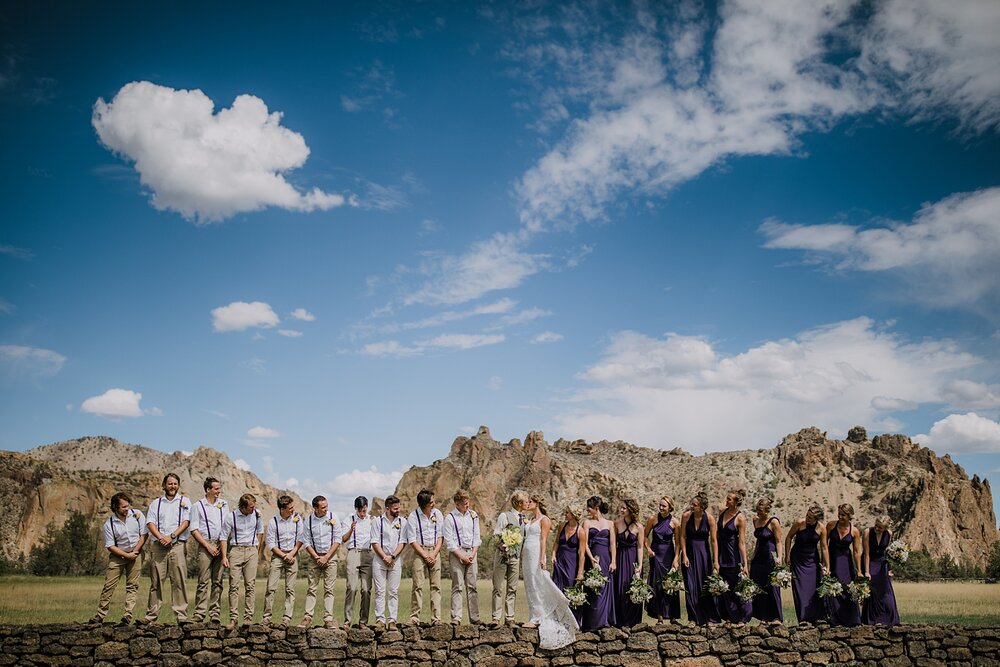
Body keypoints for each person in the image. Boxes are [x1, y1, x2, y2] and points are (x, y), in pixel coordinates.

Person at [520, 493, 577, 649]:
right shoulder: (530, 520)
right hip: (527, 553)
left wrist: (542, 558)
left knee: (537, 582)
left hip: (536, 552)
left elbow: (543, 539)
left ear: (537, 503)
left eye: (530, 501)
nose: (528, 503)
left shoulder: (544, 520)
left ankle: (538, 617)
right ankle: (533, 615)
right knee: (529, 584)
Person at [138, 473, 191, 625]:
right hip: (159, 546)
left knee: (179, 580)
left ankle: (181, 616)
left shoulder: (185, 501)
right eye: (170, 483)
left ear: (178, 485)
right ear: (164, 486)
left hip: (177, 545)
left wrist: (172, 536)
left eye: (175, 483)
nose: (172, 486)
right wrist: (161, 537)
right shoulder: (156, 503)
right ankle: (151, 616)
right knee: (156, 581)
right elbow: (150, 522)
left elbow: (186, 521)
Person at [90, 492, 147, 625]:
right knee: (109, 585)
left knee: (132, 585)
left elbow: (144, 534)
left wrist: (135, 551)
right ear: (115, 507)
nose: (127, 509)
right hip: (118, 556)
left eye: (128, 506)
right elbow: (110, 546)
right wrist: (126, 555)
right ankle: (100, 614)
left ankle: (127, 615)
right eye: (123, 507)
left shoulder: (137, 515)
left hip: (136, 552)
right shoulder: (109, 524)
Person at [220, 493, 264, 630]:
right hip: (236, 550)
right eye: (251, 506)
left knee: (250, 585)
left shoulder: (257, 515)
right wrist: (224, 556)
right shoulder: (231, 516)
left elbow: (260, 532)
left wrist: (257, 551)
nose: (254, 508)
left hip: (251, 550)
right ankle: (233, 618)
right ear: (243, 507)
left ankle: (248, 617)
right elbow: (223, 536)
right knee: (233, 585)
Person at [189, 477, 228, 625]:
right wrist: (207, 546)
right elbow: (194, 529)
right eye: (216, 488)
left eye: (219, 488)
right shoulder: (197, 506)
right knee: (203, 581)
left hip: (221, 543)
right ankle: (199, 613)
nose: (219, 491)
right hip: (205, 545)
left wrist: (222, 545)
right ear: (208, 490)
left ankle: (215, 613)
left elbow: (227, 525)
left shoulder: (224, 504)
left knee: (218, 581)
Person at [301, 495, 341, 629]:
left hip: (330, 557)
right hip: (314, 558)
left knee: (329, 589)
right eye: (323, 507)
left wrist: (326, 557)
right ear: (315, 508)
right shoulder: (308, 520)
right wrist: (316, 557)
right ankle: (307, 617)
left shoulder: (333, 517)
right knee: (312, 588)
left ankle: (328, 618)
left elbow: (337, 539)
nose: (326, 509)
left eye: (326, 506)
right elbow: (306, 541)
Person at [680, 492, 720, 625]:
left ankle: (709, 618)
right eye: (692, 504)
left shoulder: (709, 519)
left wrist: (715, 561)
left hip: (704, 555)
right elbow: (682, 537)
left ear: (702, 506)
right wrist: (684, 555)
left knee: (705, 586)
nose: (692, 506)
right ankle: (692, 618)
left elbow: (714, 541)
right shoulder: (686, 516)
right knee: (690, 586)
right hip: (689, 554)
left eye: (695, 505)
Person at [262, 494, 302, 628]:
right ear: (282, 509)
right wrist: (284, 556)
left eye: (293, 507)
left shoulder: (297, 519)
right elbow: (271, 544)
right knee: (271, 587)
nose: (292, 510)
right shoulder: (273, 522)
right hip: (278, 556)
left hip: (293, 554)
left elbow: (300, 539)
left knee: (290, 589)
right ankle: (266, 617)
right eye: (290, 508)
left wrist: (291, 554)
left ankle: (286, 619)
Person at [406, 489, 445, 625]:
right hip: (419, 550)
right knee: (417, 585)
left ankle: (436, 618)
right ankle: (415, 617)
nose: (434, 503)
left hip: (434, 550)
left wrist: (433, 554)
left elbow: (441, 536)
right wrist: (425, 555)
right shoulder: (413, 517)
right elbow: (412, 540)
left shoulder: (438, 514)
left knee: (436, 586)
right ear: (424, 504)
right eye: (431, 502)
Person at [443, 489, 481, 625]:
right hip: (456, 553)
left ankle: (475, 618)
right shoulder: (450, 518)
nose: (467, 505)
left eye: (468, 502)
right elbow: (449, 541)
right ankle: (456, 618)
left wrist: (472, 553)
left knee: (472, 586)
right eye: (465, 503)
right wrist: (461, 556)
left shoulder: (473, 515)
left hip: (471, 552)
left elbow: (477, 536)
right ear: (457, 504)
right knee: (457, 585)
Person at [784, 505, 828, 623]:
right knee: (800, 588)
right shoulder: (799, 523)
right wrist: (787, 555)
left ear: (817, 519)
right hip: (798, 558)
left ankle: (817, 617)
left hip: (812, 560)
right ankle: (803, 618)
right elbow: (789, 537)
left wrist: (826, 566)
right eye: (807, 515)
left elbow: (824, 547)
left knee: (814, 588)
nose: (807, 518)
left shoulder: (822, 528)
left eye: (810, 517)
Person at [579, 495, 616, 631]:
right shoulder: (587, 523)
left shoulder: (610, 524)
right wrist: (592, 559)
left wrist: (613, 561)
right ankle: (591, 623)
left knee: (605, 588)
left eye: (589, 508)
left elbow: (612, 543)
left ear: (596, 508)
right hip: (592, 558)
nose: (587, 511)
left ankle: (604, 621)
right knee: (593, 590)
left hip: (606, 559)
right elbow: (585, 544)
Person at [491, 490, 527, 627]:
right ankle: (495, 618)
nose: (527, 503)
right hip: (502, 556)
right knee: (498, 587)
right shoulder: (504, 516)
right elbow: (496, 535)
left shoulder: (524, 518)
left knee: (512, 588)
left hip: (516, 558)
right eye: (525, 501)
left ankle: (510, 618)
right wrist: (503, 547)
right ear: (518, 503)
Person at [371, 495, 408, 630]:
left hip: (395, 559)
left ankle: (392, 620)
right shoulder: (377, 522)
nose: (398, 510)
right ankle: (380, 620)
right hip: (379, 560)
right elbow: (374, 541)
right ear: (387, 508)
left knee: (393, 591)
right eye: (395, 508)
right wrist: (384, 557)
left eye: (398, 507)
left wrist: (392, 556)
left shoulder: (403, 522)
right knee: (380, 591)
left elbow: (402, 541)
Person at [716, 489, 752, 624]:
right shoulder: (722, 512)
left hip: (733, 554)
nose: (727, 501)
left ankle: (742, 617)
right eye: (727, 498)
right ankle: (728, 617)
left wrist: (745, 564)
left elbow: (742, 542)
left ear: (736, 502)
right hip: (721, 552)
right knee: (724, 587)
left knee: (735, 586)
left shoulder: (740, 518)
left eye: (729, 499)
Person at [823, 503, 863, 627]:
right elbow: (824, 545)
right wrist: (825, 565)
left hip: (846, 562)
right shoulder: (831, 525)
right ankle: (834, 619)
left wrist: (859, 570)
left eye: (843, 515)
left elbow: (856, 551)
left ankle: (851, 619)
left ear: (849, 515)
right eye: (839, 514)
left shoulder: (854, 531)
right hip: (832, 559)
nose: (840, 517)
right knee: (832, 587)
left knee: (847, 588)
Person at [643, 495, 680, 623]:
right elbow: (645, 536)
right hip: (655, 555)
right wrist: (648, 549)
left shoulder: (675, 522)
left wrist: (676, 559)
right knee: (657, 585)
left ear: (670, 507)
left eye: (664, 506)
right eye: (660, 505)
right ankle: (660, 617)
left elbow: (678, 543)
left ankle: (673, 616)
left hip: (668, 556)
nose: (661, 508)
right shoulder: (653, 519)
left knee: (671, 584)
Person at [550, 504, 585, 628]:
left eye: (568, 512)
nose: (565, 514)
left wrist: (580, 572)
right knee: (557, 589)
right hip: (560, 562)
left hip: (572, 565)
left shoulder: (581, 531)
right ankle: (557, 619)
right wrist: (553, 554)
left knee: (570, 590)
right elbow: (557, 542)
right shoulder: (561, 526)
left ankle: (573, 622)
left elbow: (582, 553)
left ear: (574, 515)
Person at [341, 496, 374, 628]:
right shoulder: (348, 519)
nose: (362, 513)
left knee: (366, 589)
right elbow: (343, 539)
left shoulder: (373, 520)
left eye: (364, 510)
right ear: (356, 509)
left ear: (367, 507)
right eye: (360, 510)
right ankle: (347, 620)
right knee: (352, 587)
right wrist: (351, 529)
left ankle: (363, 621)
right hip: (353, 553)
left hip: (368, 554)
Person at [861, 515, 900, 627]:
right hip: (870, 562)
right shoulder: (867, 532)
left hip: (882, 564)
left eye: (880, 528)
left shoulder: (889, 534)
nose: (877, 529)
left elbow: (887, 552)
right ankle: (873, 620)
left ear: (885, 528)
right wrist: (867, 572)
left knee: (886, 592)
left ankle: (888, 620)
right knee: (873, 592)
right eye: (876, 526)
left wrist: (890, 568)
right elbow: (866, 554)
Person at [750, 496, 783, 623]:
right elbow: (759, 540)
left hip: (770, 556)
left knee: (772, 586)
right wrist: (753, 554)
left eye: (761, 511)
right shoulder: (755, 520)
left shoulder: (774, 522)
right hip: (759, 557)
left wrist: (779, 558)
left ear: (766, 510)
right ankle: (762, 617)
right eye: (757, 510)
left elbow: (779, 541)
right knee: (760, 586)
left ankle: (776, 617)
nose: (758, 513)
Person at [612, 497, 644, 627]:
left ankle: (634, 623)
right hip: (620, 558)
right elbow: (613, 544)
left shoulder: (639, 527)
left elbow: (640, 547)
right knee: (620, 589)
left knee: (633, 588)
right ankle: (620, 622)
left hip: (633, 560)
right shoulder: (616, 524)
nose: (621, 510)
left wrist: (640, 566)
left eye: (624, 508)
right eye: (621, 507)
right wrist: (613, 561)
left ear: (631, 510)